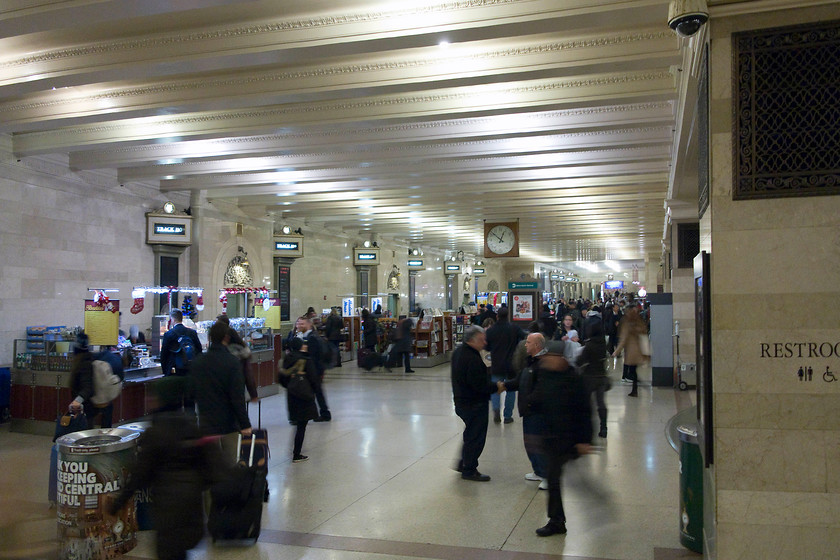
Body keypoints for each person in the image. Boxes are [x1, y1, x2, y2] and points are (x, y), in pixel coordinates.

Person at [109, 376, 224, 560]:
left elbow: (140, 474)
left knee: (169, 553)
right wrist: (195, 484)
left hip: (167, 511)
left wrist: (118, 502)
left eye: (153, 396)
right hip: (192, 509)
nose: (148, 400)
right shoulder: (194, 428)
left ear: (162, 400)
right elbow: (216, 469)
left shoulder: (155, 433)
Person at [528, 346, 593, 536]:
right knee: (555, 478)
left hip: (569, 437)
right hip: (551, 436)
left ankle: (559, 520)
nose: (545, 360)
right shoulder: (545, 374)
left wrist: (584, 440)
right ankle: (557, 520)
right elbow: (538, 399)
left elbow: (585, 411)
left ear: (560, 358)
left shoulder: (574, 378)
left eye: (549, 357)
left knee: (560, 478)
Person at [189, 321, 252, 462]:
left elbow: (191, 392)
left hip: (206, 424)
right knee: (229, 466)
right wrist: (245, 423)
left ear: (210, 338)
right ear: (227, 338)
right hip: (228, 424)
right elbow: (237, 397)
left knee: (210, 466)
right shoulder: (232, 362)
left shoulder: (198, 362)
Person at [501, 333, 552, 489]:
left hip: (537, 411)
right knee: (530, 443)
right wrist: (503, 386)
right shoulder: (529, 361)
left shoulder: (543, 364)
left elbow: (542, 389)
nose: (525, 345)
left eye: (528, 342)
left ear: (537, 345)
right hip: (528, 411)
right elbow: (520, 381)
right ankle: (538, 471)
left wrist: (530, 401)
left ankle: (547, 475)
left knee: (538, 443)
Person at [451, 325, 500, 481]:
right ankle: (469, 469)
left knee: (470, 434)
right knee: (476, 437)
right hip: (473, 403)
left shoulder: (460, 352)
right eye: (481, 339)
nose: (484, 342)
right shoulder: (471, 358)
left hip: (462, 401)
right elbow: (479, 384)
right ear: (472, 340)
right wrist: (496, 387)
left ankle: (463, 462)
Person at [278, 338, 320, 462]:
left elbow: (282, 379)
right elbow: (314, 379)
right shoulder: (306, 360)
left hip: (292, 396)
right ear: (301, 346)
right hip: (304, 396)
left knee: (297, 423)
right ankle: (296, 454)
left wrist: (291, 386)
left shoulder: (286, 360)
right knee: (302, 426)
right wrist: (313, 392)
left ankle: (295, 450)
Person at [485, 306, 524, 424]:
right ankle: (507, 416)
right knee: (510, 388)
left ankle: (496, 409)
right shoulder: (514, 328)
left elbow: (486, 346)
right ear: (508, 316)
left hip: (496, 363)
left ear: (497, 316)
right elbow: (523, 339)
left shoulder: (491, 330)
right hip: (512, 364)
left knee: (496, 387)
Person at [294, 315, 331, 421]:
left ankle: (322, 414)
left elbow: (313, 356)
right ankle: (322, 413)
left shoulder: (312, 338)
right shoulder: (304, 336)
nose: (299, 325)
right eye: (298, 323)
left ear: (309, 325)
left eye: (302, 323)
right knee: (316, 392)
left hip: (314, 370)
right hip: (312, 370)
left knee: (314, 392)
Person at [576, 321, 609, 438]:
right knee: (601, 403)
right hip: (601, 376)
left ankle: (586, 428)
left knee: (586, 403)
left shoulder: (589, 345)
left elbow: (580, 361)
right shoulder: (603, 344)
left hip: (589, 377)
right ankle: (604, 427)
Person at [215, 314, 258, 402]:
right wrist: (253, 394)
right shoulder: (241, 353)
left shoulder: (219, 354)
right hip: (237, 388)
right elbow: (248, 374)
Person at [612, 304, 648, 397]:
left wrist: (616, 351)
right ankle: (635, 389)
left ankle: (636, 387)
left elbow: (623, 339)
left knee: (631, 371)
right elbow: (644, 334)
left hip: (631, 351)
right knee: (633, 370)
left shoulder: (627, 323)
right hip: (639, 350)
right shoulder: (639, 321)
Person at [89, 344, 126, 428]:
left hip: (92, 393)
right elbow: (120, 378)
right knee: (107, 415)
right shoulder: (116, 359)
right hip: (106, 395)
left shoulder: (91, 357)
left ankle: (89, 434)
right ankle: (106, 434)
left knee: (90, 417)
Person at [160, 309, 202, 378]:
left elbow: (164, 354)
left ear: (173, 319)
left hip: (175, 369)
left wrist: (166, 371)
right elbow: (199, 350)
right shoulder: (192, 332)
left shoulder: (168, 334)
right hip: (190, 369)